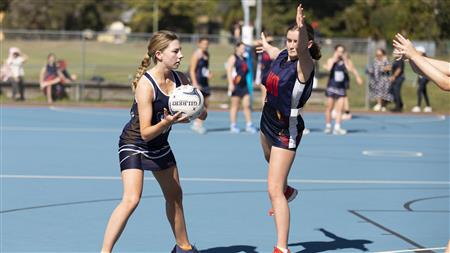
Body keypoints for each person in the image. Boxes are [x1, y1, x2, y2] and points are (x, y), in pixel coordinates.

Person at [101, 30, 205, 253]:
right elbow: (146, 132)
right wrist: (169, 122)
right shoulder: (146, 85)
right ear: (159, 54)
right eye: (175, 51)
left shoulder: (181, 79)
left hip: (159, 144)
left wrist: (196, 105)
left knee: (175, 196)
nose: (181, 55)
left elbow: (202, 114)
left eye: (180, 50)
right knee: (132, 198)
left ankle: (184, 248)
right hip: (135, 143)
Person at [255, 4, 320, 253]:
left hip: (286, 127)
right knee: (268, 160)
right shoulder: (283, 54)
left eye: (297, 40)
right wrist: (267, 45)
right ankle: (286, 188)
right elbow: (275, 51)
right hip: (267, 118)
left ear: (307, 44)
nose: (292, 45)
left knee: (273, 189)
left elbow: (302, 48)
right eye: (289, 40)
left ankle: (281, 247)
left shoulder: (304, 65)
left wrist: (302, 28)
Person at [323, 44, 362, 135]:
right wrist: (334, 59)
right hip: (332, 87)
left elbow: (350, 69)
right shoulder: (331, 60)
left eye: (342, 51)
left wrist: (345, 59)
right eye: (338, 51)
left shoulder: (346, 61)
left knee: (340, 109)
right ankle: (328, 126)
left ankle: (337, 127)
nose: (340, 53)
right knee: (329, 107)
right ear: (335, 51)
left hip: (341, 87)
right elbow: (328, 69)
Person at [226, 41, 257, 134]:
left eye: (244, 48)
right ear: (237, 48)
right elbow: (229, 70)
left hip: (244, 85)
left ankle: (249, 124)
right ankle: (233, 125)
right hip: (236, 85)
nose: (243, 49)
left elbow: (247, 71)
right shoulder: (233, 58)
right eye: (242, 47)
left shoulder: (244, 58)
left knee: (247, 105)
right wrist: (230, 84)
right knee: (235, 106)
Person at [189, 37, 211, 134]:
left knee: (206, 103)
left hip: (204, 82)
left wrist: (208, 73)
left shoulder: (207, 54)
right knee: (200, 104)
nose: (205, 45)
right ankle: (197, 124)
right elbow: (192, 70)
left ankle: (198, 124)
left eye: (207, 43)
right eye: (203, 43)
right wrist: (194, 83)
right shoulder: (196, 54)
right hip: (197, 81)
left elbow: (204, 69)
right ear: (199, 44)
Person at [255, 33, 274, 108]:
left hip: (273, 75)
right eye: (268, 43)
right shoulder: (261, 51)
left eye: (270, 43)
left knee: (272, 95)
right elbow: (252, 43)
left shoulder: (273, 50)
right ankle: (264, 110)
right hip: (264, 75)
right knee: (264, 94)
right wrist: (264, 41)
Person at [411, 47, 432, 113]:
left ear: (422, 52)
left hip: (425, 77)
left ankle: (418, 106)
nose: (417, 52)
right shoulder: (418, 59)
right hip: (421, 77)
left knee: (419, 90)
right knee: (423, 92)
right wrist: (417, 79)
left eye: (418, 51)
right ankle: (428, 106)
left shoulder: (426, 59)